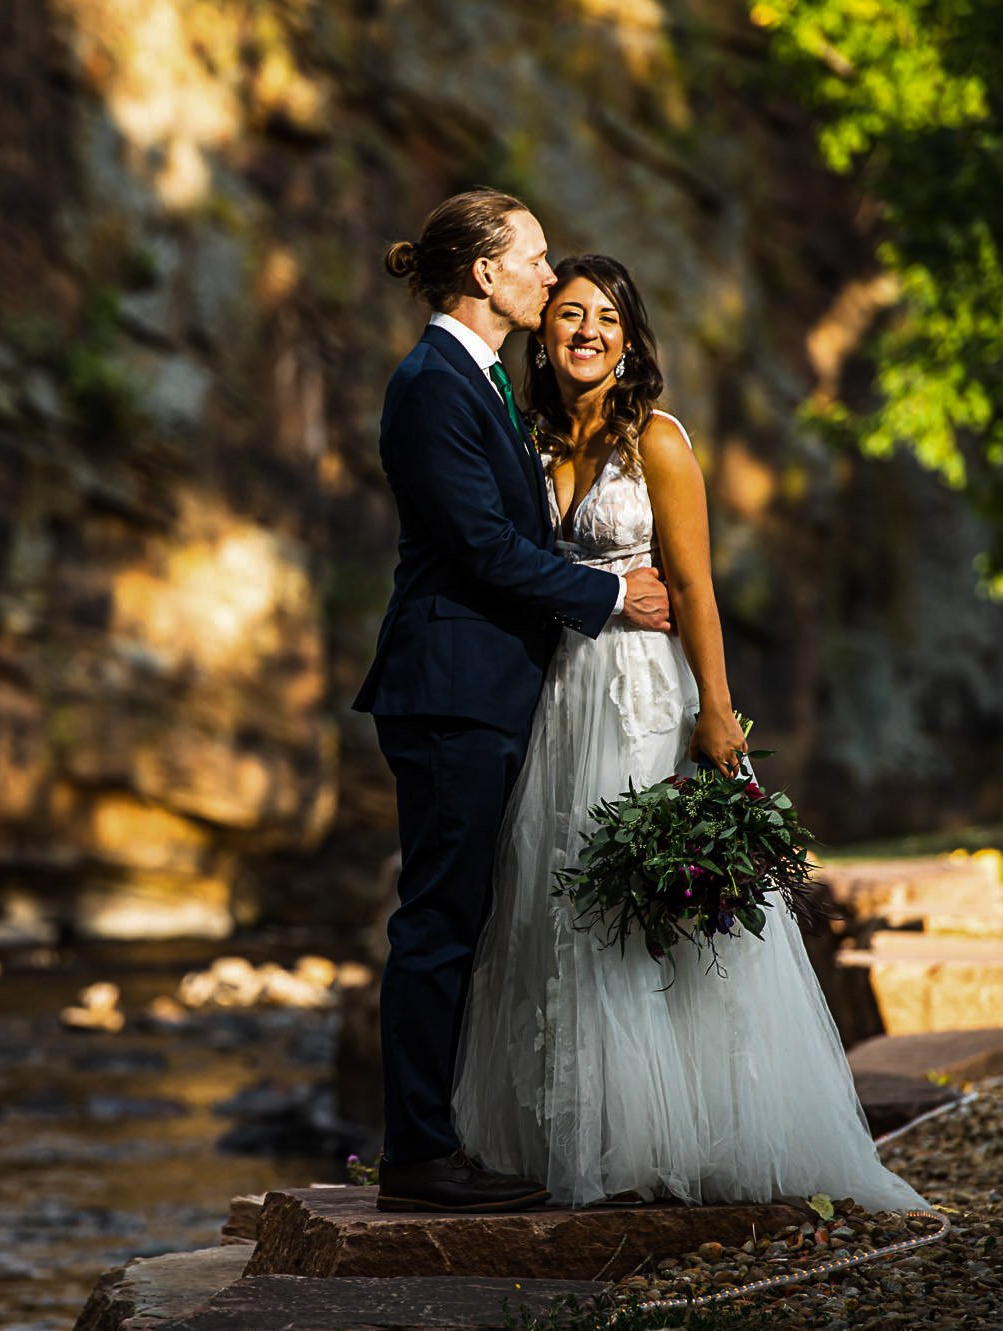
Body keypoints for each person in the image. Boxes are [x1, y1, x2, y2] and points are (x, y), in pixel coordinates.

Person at [449, 253, 928, 1213]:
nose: (587, 331)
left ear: (631, 342)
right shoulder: (531, 441)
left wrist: (716, 706)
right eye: (571, 314)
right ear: (544, 333)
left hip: (643, 695)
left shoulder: (656, 442)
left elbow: (698, 585)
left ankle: (680, 1139)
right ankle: (580, 1137)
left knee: (649, 908)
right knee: (562, 901)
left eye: (608, 320)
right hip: (562, 697)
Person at [353, 192, 674, 1213]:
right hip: (450, 687)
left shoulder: (480, 377)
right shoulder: (428, 384)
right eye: (532, 260)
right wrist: (613, 591)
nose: (547, 274)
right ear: (484, 275)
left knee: (463, 914)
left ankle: (439, 1135)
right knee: (439, 920)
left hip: (488, 686)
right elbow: (482, 548)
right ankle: (414, 1153)